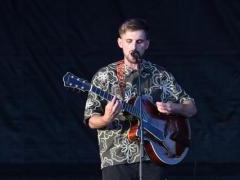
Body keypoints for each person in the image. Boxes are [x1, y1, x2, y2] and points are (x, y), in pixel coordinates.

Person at [84, 18, 197, 180]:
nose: (133, 47)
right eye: (129, 41)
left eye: (139, 41)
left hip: (154, 156)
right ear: (120, 43)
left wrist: (174, 107)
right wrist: (106, 118)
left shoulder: (160, 75)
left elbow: (191, 107)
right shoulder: (104, 76)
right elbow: (91, 119)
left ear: (146, 44)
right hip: (116, 157)